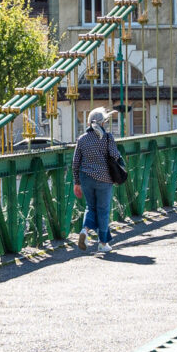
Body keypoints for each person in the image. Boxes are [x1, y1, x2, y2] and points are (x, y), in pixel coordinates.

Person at [73, 107, 118, 254]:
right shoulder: (107, 138)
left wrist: (76, 182)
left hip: (86, 178)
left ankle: (85, 231)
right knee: (103, 211)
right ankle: (103, 243)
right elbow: (115, 156)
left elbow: (75, 162)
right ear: (103, 123)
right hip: (104, 178)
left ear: (89, 122)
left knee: (91, 208)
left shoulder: (82, 139)